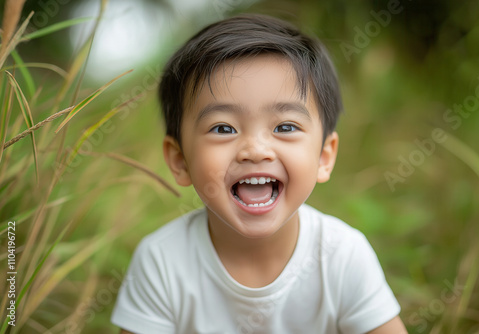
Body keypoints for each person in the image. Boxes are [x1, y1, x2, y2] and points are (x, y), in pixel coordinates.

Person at [111, 14, 407, 334]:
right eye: (223, 128)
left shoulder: (342, 255)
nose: (255, 149)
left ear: (324, 156)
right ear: (180, 160)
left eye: (285, 127)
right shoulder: (162, 262)